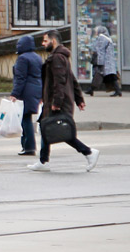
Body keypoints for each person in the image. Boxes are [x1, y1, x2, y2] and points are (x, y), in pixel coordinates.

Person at [30, 30, 99, 172]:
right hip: (55, 100)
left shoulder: (57, 58)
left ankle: (89, 152)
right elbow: (72, 79)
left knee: (62, 132)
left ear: (53, 41)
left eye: (45, 41)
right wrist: (79, 99)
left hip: (58, 102)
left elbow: (60, 82)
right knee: (45, 127)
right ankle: (43, 161)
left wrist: (57, 102)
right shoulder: (60, 57)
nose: (43, 44)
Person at [9, 34, 43, 157]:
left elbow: (20, 78)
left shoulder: (22, 58)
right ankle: (28, 146)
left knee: (25, 119)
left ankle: (28, 146)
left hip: (26, 91)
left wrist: (15, 94)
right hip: (36, 90)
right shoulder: (37, 57)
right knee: (27, 118)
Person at [88, 26, 122, 97]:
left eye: (97, 31)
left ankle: (91, 89)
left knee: (98, 75)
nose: (96, 32)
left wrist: (99, 62)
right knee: (111, 76)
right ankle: (118, 91)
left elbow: (100, 50)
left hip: (105, 61)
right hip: (109, 61)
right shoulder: (108, 38)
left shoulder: (102, 38)